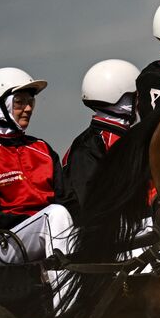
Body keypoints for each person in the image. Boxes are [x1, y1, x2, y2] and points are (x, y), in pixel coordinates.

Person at [0, 68, 76, 307]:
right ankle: (67, 308)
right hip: (1, 244)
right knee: (56, 215)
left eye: (30, 101)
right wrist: (37, 219)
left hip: (49, 234)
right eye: (20, 102)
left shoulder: (42, 148)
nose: (29, 108)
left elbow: (68, 200)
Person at [59, 59, 140, 215]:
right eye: (135, 96)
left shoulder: (129, 137)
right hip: (107, 229)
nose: (138, 103)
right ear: (119, 96)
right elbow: (90, 202)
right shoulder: (88, 145)